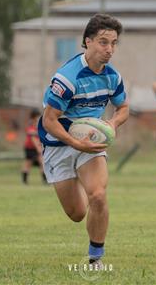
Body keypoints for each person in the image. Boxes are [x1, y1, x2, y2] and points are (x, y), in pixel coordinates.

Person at [38, 14, 129, 265]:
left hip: (91, 145)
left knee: (98, 195)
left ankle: (95, 258)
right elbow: (49, 121)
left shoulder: (113, 77)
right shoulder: (67, 78)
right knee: (77, 213)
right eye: (103, 42)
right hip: (58, 144)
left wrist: (111, 124)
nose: (109, 49)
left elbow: (123, 108)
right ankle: (76, 177)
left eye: (113, 43)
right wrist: (76, 143)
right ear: (87, 42)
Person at [21, 109, 46, 184]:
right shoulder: (31, 124)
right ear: (34, 116)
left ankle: (45, 181)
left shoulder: (38, 123)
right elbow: (32, 137)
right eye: (37, 116)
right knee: (28, 163)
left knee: (42, 162)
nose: (39, 117)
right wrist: (38, 148)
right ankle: (24, 181)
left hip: (37, 147)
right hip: (30, 147)